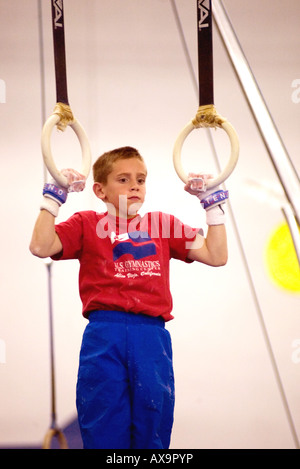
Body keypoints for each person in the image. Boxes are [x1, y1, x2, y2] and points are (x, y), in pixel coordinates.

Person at [29, 146, 228, 449]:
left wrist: (212, 204)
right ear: (100, 190)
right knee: (103, 422)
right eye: (122, 179)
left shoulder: (163, 225)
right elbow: (41, 247)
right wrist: (53, 198)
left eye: (141, 179)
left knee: (153, 423)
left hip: (150, 336)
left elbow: (216, 255)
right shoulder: (85, 224)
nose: (134, 185)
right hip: (105, 333)